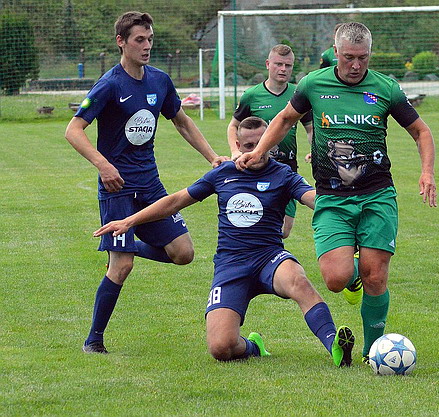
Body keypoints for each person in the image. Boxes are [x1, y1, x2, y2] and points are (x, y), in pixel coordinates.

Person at [236, 22, 437, 363]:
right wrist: (259, 152)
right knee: (335, 279)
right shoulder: (314, 84)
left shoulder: (386, 88)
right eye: (348, 57)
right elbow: (284, 119)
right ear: (335, 52)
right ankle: (355, 273)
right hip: (331, 198)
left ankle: (373, 350)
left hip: (377, 195)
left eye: (363, 58)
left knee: (376, 275)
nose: (356, 65)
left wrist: (427, 171)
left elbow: (421, 131)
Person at [94, 117, 355, 366]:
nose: (255, 151)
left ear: (271, 142)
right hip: (230, 265)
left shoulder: (283, 174)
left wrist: (347, 211)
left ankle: (334, 344)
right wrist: (129, 221)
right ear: (238, 146)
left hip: (269, 258)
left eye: (261, 143)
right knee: (221, 348)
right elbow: (175, 201)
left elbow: (312, 198)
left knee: (298, 281)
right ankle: (253, 346)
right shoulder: (223, 173)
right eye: (249, 145)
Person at [65, 11, 227, 354]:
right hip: (118, 190)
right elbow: (73, 130)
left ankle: (125, 245)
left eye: (150, 39)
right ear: (121, 42)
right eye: (139, 39)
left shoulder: (159, 81)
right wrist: (103, 165)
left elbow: (181, 121)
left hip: (150, 186)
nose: (147, 45)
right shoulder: (109, 84)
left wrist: (212, 157)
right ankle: (94, 340)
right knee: (122, 266)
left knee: (183, 253)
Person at [227, 44, 313, 239]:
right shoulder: (252, 95)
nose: (283, 69)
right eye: (278, 64)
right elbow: (233, 126)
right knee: (259, 220)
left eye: (288, 65)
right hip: (258, 166)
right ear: (268, 64)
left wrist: (315, 149)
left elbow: (310, 129)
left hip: (287, 166)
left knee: (284, 230)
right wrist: (235, 151)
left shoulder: (299, 94)